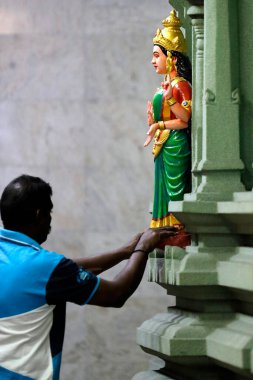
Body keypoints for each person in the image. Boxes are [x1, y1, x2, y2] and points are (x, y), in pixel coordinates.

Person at [0, 174, 176, 380]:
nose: (50, 221)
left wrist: (125, 251)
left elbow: (66, 271)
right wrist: (144, 249)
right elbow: (116, 294)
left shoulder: (18, 257)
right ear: (39, 214)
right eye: (49, 213)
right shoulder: (44, 266)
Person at [144, 10, 192, 245]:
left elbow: (185, 119)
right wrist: (152, 120)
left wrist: (161, 120)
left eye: (156, 55)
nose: (153, 61)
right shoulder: (165, 85)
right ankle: (164, 229)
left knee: (175, 188)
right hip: (163, 143)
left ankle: (179, 230)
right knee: (162, 189)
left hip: (175, 143)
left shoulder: (180, 85)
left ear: (171, 57)